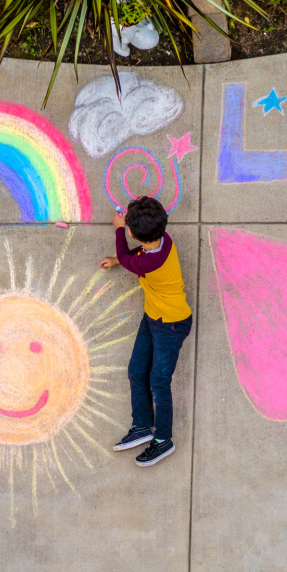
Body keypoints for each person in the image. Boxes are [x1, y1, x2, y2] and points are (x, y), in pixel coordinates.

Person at [98, 196, 192, 467]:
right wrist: (118, 260)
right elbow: (133, 257)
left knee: (159, 382)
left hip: (171, 325)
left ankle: (163, 440)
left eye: (127, 227)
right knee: (136, 370)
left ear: (133, 234)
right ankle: (141, 426)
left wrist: (118, 229)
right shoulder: (163, 239)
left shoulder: (146, 262)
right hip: (154, 316)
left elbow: (131, 258)